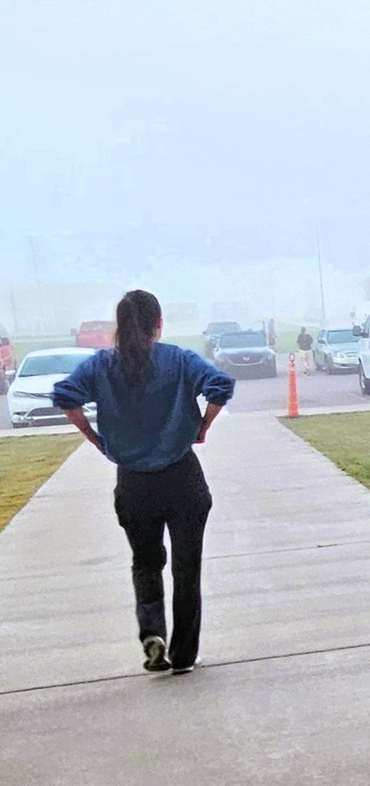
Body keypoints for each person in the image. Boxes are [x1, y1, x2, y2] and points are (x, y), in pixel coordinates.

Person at [52, 289, 235, 674]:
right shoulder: (179, 360)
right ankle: (184, 654)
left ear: (120, 327)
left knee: (146, 562)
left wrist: (95, 438)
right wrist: (203, 426)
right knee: (187, 567)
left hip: (134, 483)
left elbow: (66, 395)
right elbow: (220, 386)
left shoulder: (101, 366)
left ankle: (153, 633)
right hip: (182, 476)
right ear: (159, 323)